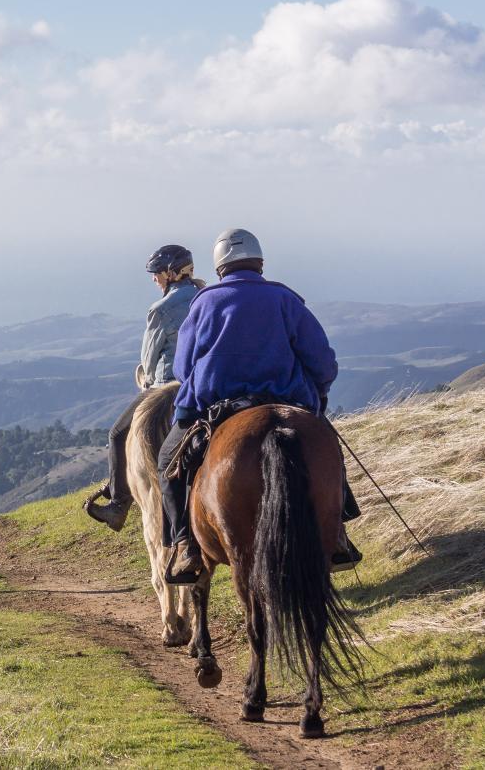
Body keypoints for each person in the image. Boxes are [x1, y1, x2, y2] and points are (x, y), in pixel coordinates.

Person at [157, 228, 362, 584]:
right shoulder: (285, 299)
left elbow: (182, 367)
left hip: (217, 404)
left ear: (220, 268)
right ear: (261, 263)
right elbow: (322, 362)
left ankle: (185, 545)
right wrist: (318, 394)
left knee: (167, 461)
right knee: (324, 445)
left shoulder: (204, 303)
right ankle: (338, 530)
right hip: (287, 399)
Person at [84, 244, 204, 531]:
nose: (154, 279)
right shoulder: (204, 298)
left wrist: (147, 380)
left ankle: (118, 505)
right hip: (200, 387)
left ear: (171, 274)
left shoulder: (161, 310)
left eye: (157, 274)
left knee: (117, 434)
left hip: (164, 387)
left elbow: (148, 362)